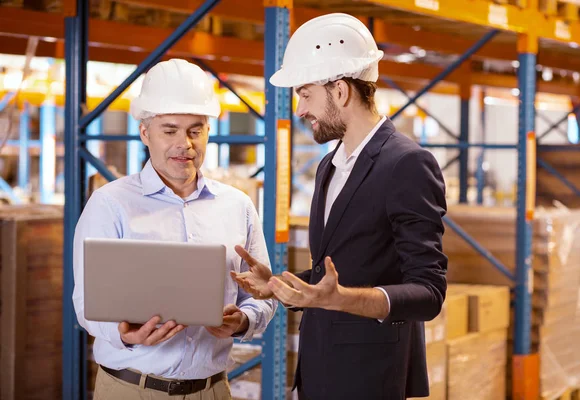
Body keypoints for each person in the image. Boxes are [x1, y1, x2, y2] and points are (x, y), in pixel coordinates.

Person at [232, 13, 448, 400]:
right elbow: (340, 269)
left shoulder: (406, 164)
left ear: (341, 91)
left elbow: (429, 292)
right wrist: (281, 284)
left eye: (305, 94)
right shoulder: (328, 167)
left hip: (370, 378)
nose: (299, 110)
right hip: (316, 372)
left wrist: (340, 299)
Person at [72, 58, 277, 400]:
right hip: (130, 389)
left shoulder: (237, 206)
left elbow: (263, 297)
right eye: (170, 130)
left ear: (208, 131)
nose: (186, 144)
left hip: (212, 391)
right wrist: (125, 334)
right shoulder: (110, 203)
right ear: (144, 132)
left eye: (195, 130)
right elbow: (86, 303)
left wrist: (242, 320)